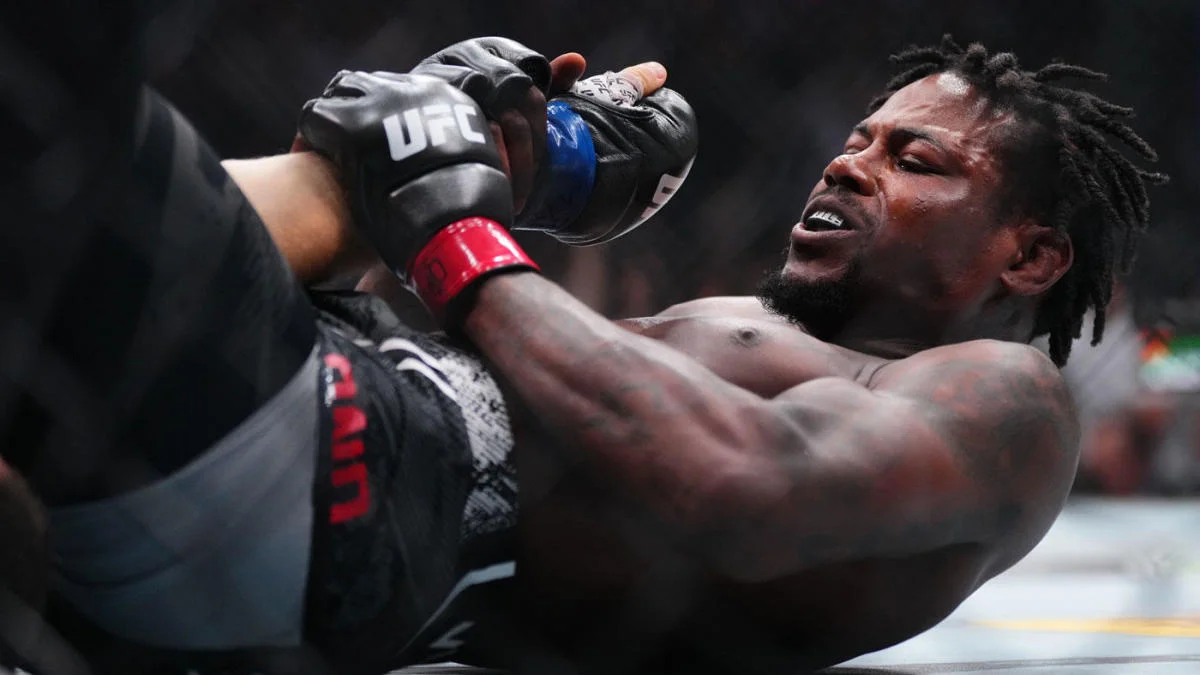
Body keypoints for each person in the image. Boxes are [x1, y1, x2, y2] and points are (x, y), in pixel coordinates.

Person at [3, 6, 1164, 674]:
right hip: (312, 412)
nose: (848, 164)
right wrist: (476, 175)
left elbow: (747, 487)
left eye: (915, 160)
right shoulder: (749, 333)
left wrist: (455, 228)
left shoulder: (1006, 402)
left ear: (1030, 257)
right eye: (856, 140)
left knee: (58, 84)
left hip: (358, 496)